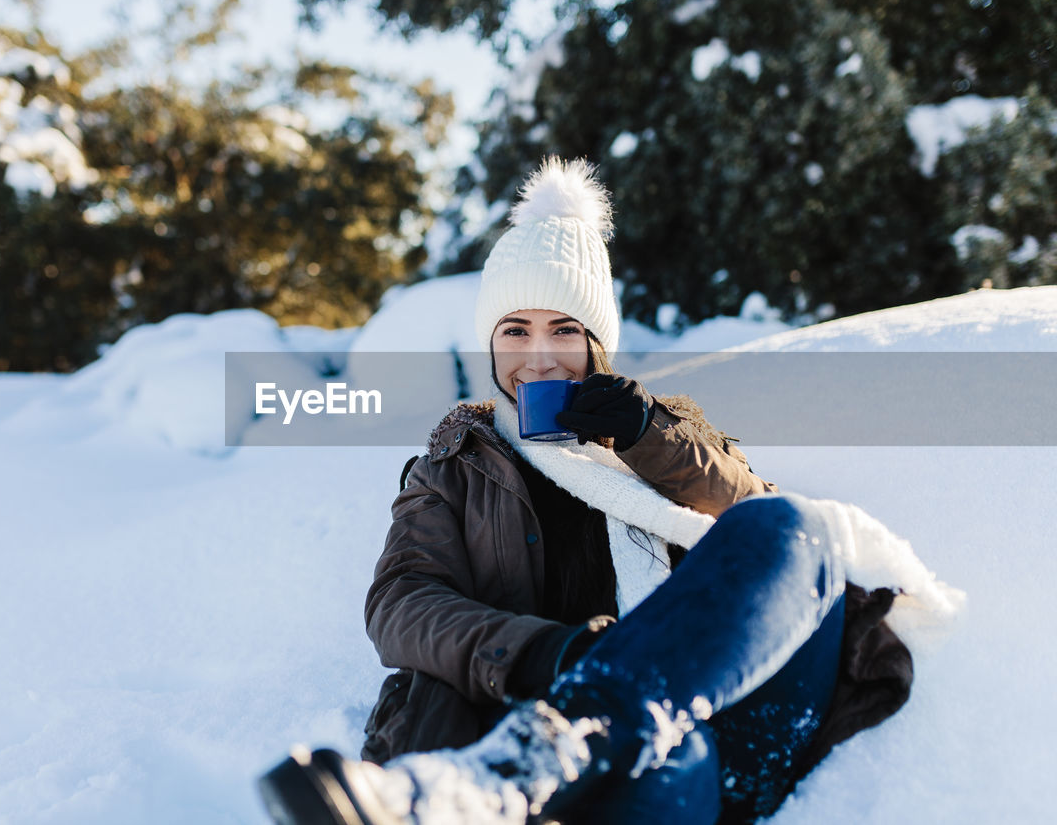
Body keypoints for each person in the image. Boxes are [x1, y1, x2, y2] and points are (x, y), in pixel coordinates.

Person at [258, 158, 940, 825]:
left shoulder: (664, 433)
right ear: (490, 346)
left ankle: (533, 761)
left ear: (596, 342)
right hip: (566, 750)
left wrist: (646, 433)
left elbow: (757, 534)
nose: (540, 356)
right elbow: (402, 602)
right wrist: (545, 653)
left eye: (564, 329)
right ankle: (526, 759)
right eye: (516, 331)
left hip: (697, 735)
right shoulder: (456, 463)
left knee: (797, 525)